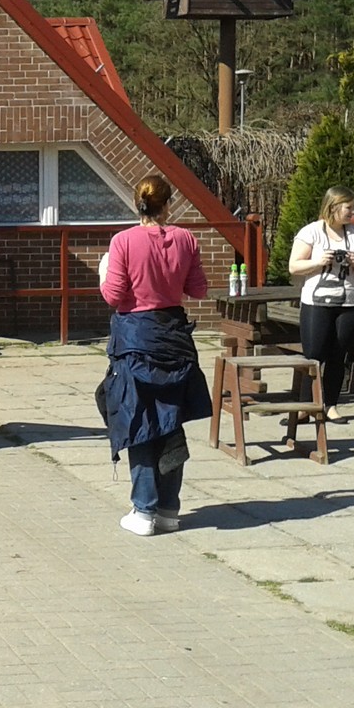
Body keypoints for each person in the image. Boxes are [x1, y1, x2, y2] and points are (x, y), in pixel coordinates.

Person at [99, 173, 211, 536]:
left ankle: (143, 510)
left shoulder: (123, 241)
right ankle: (168, 510)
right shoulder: (186, 239)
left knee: (139, 421)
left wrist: (104, 274)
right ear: (168, 204)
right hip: (174, 336)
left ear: (138, 204)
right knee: (170, 421)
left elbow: (113, 296)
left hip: (136, 338)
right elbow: (198, 289)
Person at [288, 186, 354, 422]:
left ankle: (330, 405)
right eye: (349, 207)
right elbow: (294, 266)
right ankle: (305, 405)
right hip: (316, 302)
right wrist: (318, 261)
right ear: (334, 206)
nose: (353, 212)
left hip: (349, 301)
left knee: (339, 354)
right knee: (314, 354)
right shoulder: (311, 232)